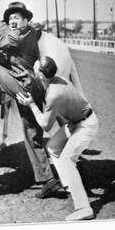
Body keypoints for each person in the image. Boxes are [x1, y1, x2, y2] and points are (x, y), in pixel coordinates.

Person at [0, 2, 66, 196]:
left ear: (26, 20)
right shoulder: (24, 32)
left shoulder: (19, 35)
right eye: (10, 18)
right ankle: (50, 180)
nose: (12, 21)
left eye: (16, 17)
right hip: (31, 89)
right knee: (31, 135)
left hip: (25, 85)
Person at [17, 55, 99, 221]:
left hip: (85, 125)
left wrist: (32, 104)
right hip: (76, 122)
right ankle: (69, 184)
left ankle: (84, 208)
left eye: (37, 65)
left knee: (68, 159)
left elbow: (45, 125)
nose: (34, 63)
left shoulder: (54, 93)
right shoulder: (56, 79)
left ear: (41, 74)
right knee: (53, 147)